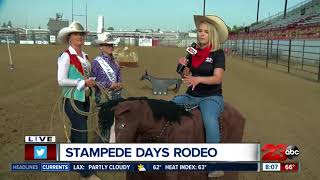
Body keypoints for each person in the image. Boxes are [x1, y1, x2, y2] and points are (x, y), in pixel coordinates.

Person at [172, 15, 228, 177]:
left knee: (210, 120)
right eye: (200, 31)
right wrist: (183, 66)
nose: (201, 34)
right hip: (191, 95)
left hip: (211, 97)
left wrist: (198, 79)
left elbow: (217, 78)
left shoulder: (218, 54)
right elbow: (187, 76)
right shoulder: (192, 49)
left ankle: (215, 165)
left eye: (206, 32)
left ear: (212, 35)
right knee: (170, 106)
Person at [57, 21, 100, 180]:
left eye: (81, 34)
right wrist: (81, 83)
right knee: (82, 133)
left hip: (85, 99)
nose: (80, 37)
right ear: (69, 37)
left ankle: (71, 155)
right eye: (76, 34)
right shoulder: (65, 56)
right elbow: (61, 80)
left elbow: (86, 76)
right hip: (71, 99)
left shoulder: (85, 56)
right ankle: (85, 172)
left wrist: (91, 81)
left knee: (77, 130)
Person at [91, 32, 122, 104]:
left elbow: (119, 79)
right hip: (102, 98)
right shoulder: (96, 62)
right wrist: (109, 85)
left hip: (116, 97)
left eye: (111, 45)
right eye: (107, 45)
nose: (111, 47)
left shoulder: (115, 62)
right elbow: (92, 82)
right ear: (101, 47)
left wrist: (119, 84)